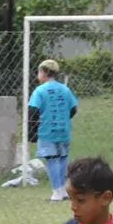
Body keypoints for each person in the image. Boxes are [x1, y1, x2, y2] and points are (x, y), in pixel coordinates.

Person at [28, 59, 78, 202]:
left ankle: (56, 192)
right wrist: (64, 119)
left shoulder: (40, 91)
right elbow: (73, 109)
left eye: (38, 72)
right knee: (62, 158)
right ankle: (63, 190)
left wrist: (33, 130)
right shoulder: (65, 89)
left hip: (47, 130)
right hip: (63, 130)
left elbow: (32, 111)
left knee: (51, 159)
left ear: (43, 72)